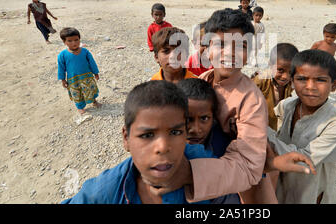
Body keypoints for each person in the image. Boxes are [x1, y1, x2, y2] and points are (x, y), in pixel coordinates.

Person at [148, 9, 313, 204]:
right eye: (221, 44)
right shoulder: (203, 80)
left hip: (228, 189)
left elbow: (248, 166)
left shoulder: (251, 100)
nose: (230, 52)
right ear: (207, 48)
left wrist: (188, 175)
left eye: (241, 45)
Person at [62, 80, 223, 204]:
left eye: (175, 132)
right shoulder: (105, 190)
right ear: (126, 138)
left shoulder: (203, 161)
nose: (163, 147)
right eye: (147, 135)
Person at [268, 49, 336, 204]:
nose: (310, 86)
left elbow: (303, 159)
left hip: (309, 190)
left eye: (320, 80)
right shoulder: (286, 106)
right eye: (302, 79)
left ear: (334, 84)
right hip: (281, 183)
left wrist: (262, 133)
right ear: (292, 81)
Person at [177, 78, 241, 204]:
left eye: (204, 118)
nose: (196, 129)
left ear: (214, 118)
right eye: (187, 119)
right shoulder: (164, 150)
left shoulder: (225, 146)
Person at [252, 43, 299, 131]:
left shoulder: (291, 82)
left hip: (273, 123)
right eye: (280, 70)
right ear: (270, 64)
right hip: (256, 123)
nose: (285, 76)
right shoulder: (261, 80)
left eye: (290, 71)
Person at [57, 27, 102, 115]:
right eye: (70, 41)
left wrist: (96, 73)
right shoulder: (62, 55)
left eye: (76, 40)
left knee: (90, 89)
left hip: (87, 77)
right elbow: (61, 68)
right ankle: (80, 107)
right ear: (64, 42)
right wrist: (62, 79)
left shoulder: (85, 52)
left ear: (79, 39)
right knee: (77, 93)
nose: (74, 43)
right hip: (74, 79)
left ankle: (94, 101)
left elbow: (92, 63)